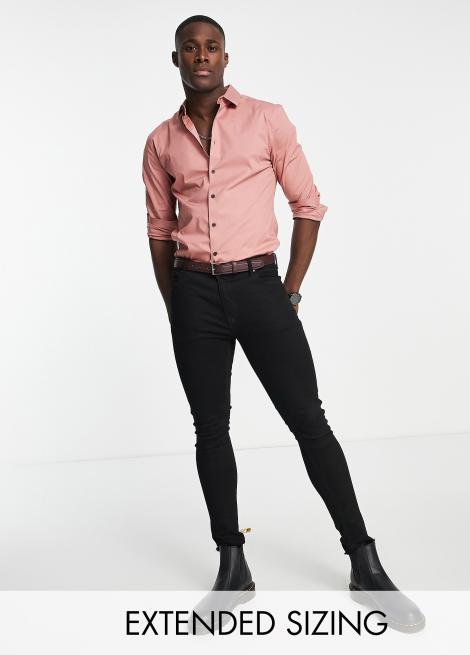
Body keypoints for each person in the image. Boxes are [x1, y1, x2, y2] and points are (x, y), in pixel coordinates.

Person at [142, 14, 425, 632]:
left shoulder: (267, 119)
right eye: (190, 48)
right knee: (210, 429)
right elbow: (160, 229)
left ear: (226, 56)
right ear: (176, 59)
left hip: (260, 288)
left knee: (309, 422)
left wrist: (290, 290)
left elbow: (308, 206)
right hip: (194, 294)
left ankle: (364, 561)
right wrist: (176, 304)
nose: (201, 56)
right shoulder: (161, 140)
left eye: (211, 47)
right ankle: (232, 565)